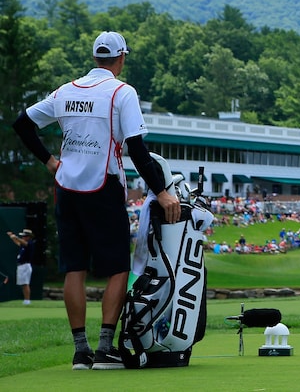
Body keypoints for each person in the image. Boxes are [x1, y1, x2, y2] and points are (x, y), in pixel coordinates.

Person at [13, 31, 180, 371]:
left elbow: (23, 124)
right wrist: (161, 191)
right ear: (121, 59)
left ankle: (80, 352)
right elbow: (136, 148)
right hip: (103, 187)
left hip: (67, 188)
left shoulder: (65, 91)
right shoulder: (122, 91)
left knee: (75, 268)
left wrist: (49, 161)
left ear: (95, 58)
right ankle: (105, 348)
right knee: (117, 267)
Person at [6, 228, 36, 304]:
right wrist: (12, 237)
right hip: (21, 266)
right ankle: (26, 299)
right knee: (23, 284)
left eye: (24, 236)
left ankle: (27, 300)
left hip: (25, 265)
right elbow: (18, 243)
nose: (23, 237)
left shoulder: (30, 243)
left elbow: (22, 242)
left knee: (25, 283)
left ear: (28, 237)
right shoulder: (23, 245)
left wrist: (15, 237)